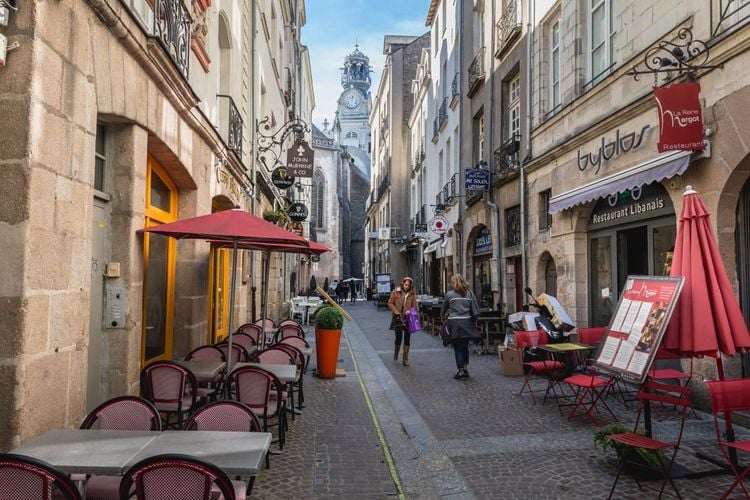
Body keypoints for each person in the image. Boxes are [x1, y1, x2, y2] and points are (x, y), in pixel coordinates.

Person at [441, 274, 481, 380]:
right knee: (465, 347)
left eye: (451, 282)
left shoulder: (449, 295)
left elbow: (443, 309)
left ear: (454, 283)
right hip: (467, 323)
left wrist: (443, 316)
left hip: (455, 324)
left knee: (458, 347)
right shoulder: (469, 293)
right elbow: (475, 309)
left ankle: (460, 370)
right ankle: (465, 368)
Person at [387, 276, 417, 366]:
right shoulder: (396, 291)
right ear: (403, 283)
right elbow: (390, 303)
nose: (406, 286)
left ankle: (405, 358)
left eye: (408, 285)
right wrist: (396, 312)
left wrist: (410, 311)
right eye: (406, 284)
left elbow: (415, 306)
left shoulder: (412, 294)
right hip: (398, 318)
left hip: (408, 318)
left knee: (407, 338)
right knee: (398, 338)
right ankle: (396, 352)